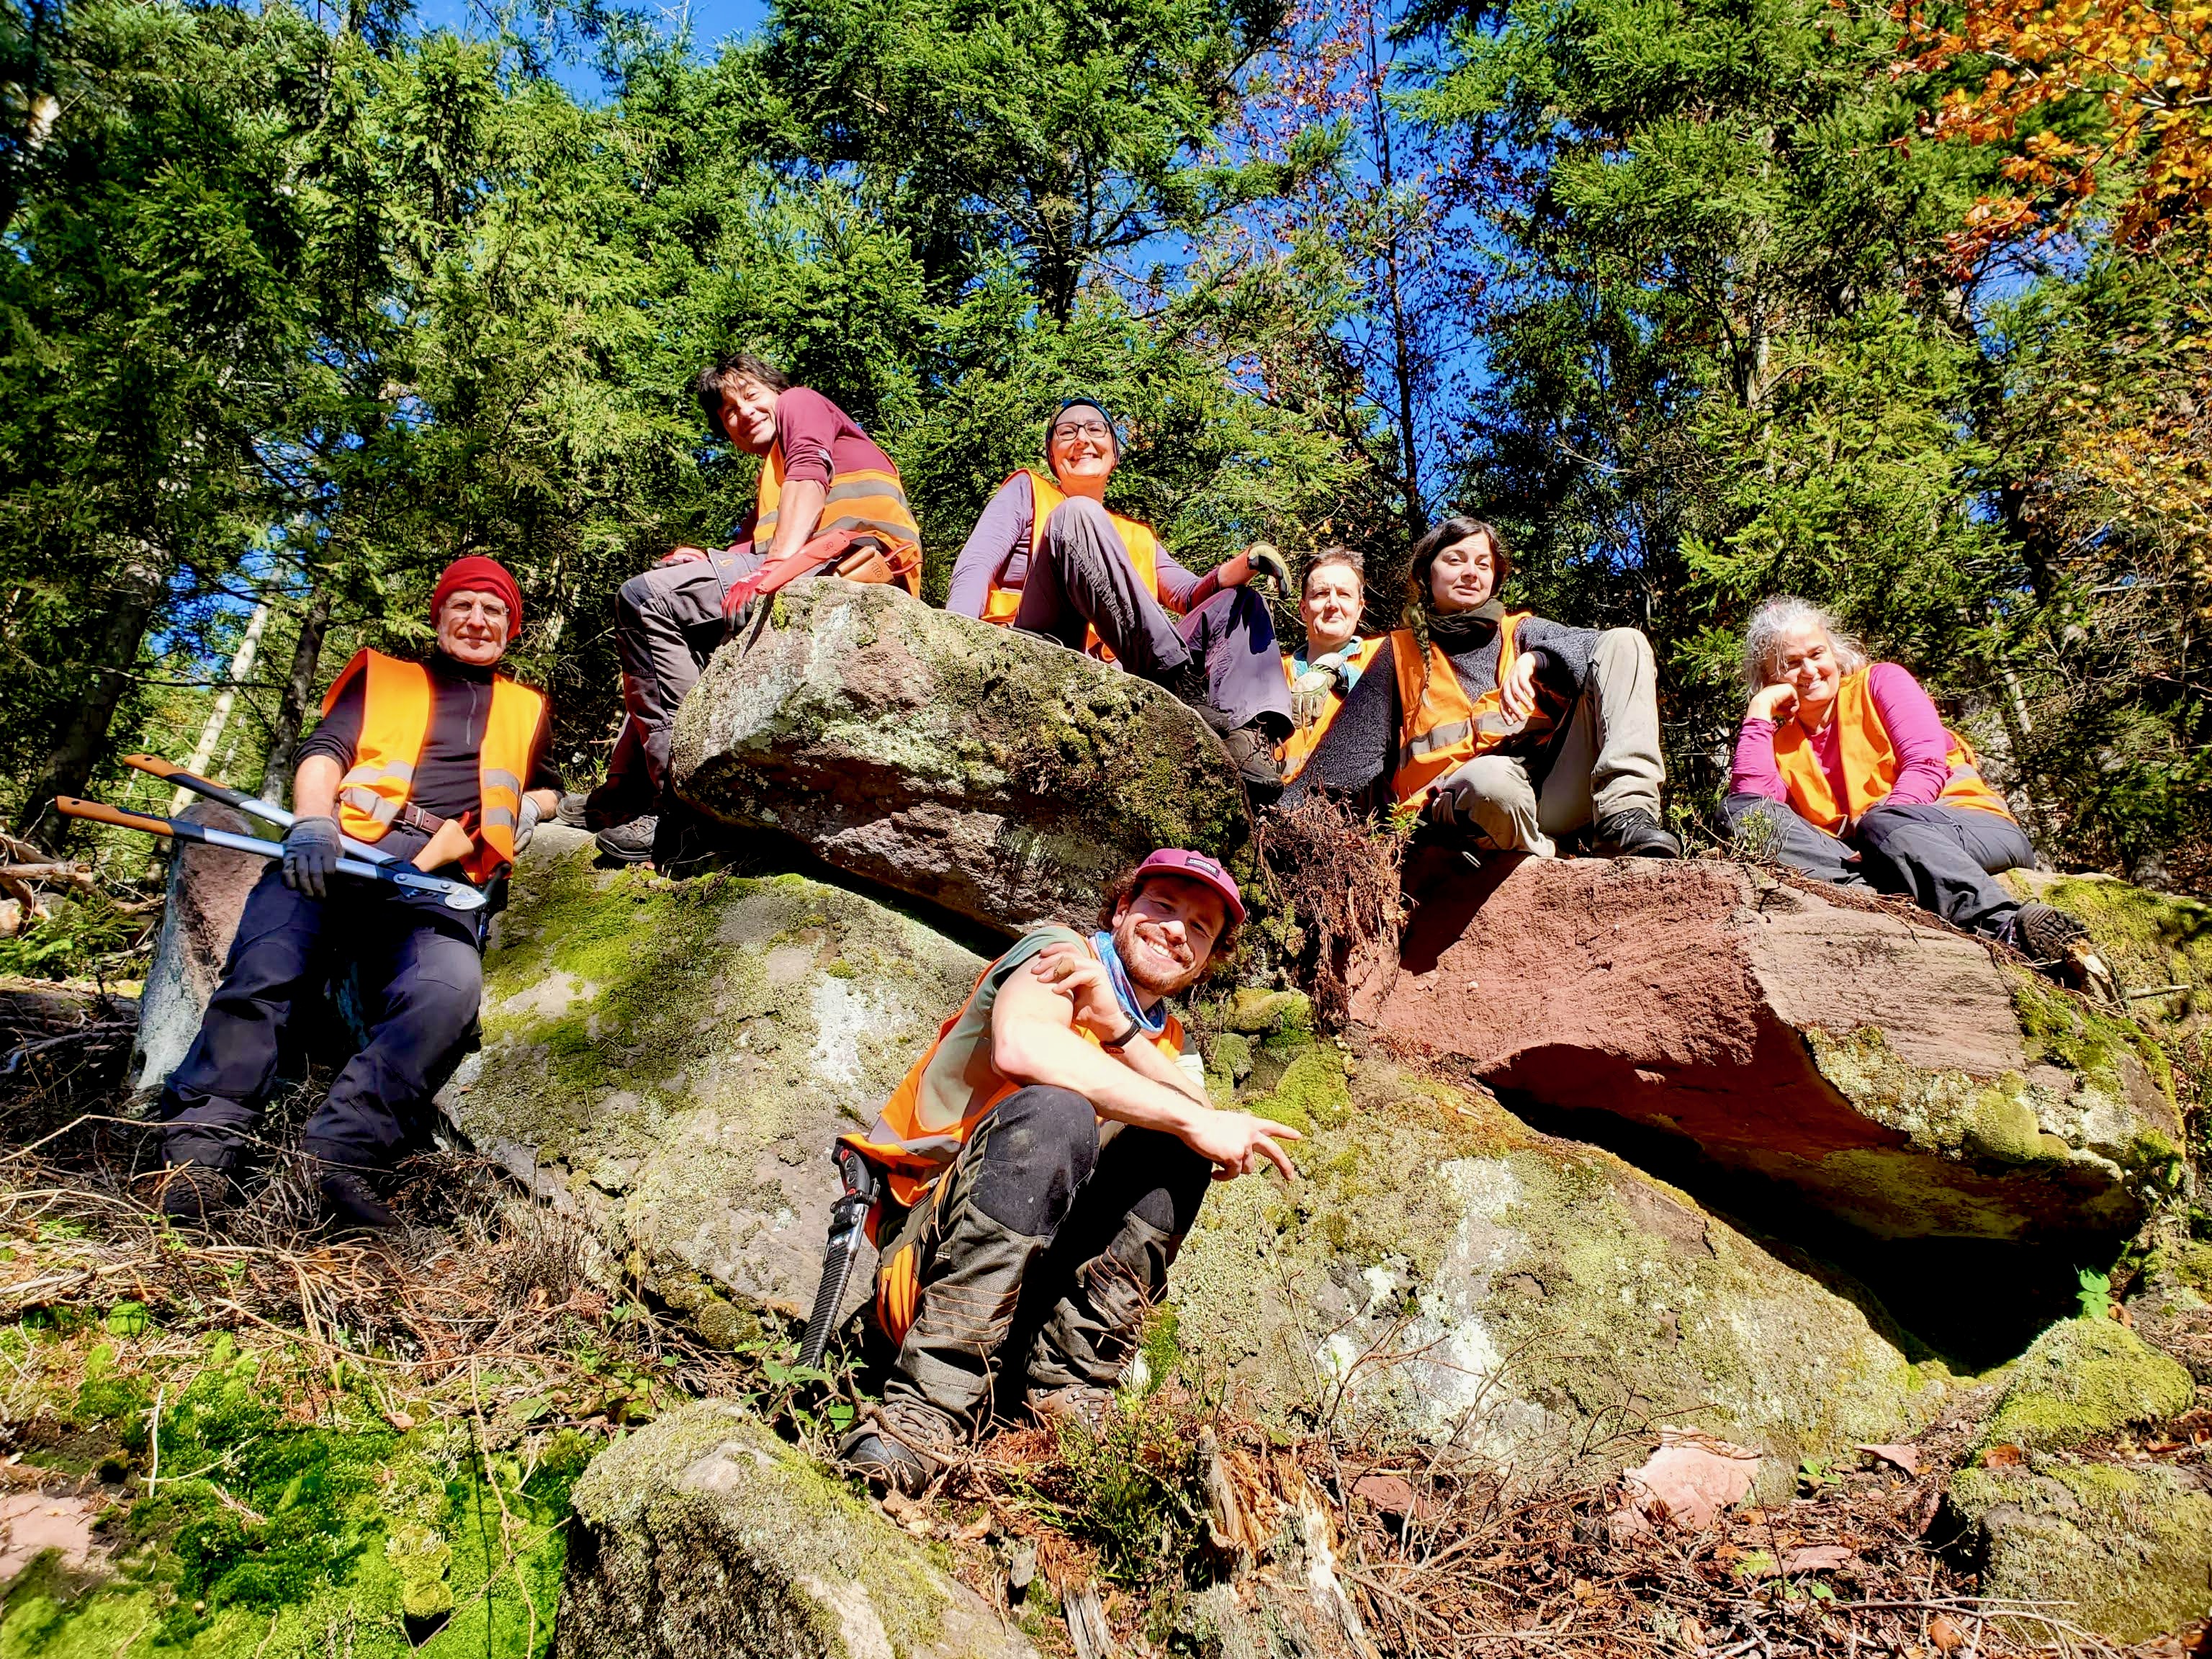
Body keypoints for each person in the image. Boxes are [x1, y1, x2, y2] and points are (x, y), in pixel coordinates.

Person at [836, 849, 1300, 1496]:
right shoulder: (1060, 955)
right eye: (1163, 906)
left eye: (1200, 927)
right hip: (926, 1277)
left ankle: (1067, 1397)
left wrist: (1123, 1035)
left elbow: (1209, 1136)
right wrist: (1193, 1118)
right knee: (1059, 1112)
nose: (1177, 931)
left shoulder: (1173, 1047)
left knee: (1177, 1142)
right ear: (1121, 910)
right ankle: (925, 1408)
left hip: (1031, 1306)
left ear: (1208, 957)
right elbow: (1023, 1046)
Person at [154, 557, 560, 1231]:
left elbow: (546, 784)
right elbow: (325, 752)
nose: (478, 620)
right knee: (266, 971)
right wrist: (313, 822)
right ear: (439, 617)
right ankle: (199, 1153)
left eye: (494, 611)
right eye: (463, 605)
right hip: (341, 848)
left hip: (438, 877)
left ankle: (337, 1158)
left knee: (446, 996)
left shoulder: (528, 707)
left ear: (511, 629)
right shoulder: (385, 676)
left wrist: (532, 809)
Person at [588, 353, 922, 861]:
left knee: (646, 599)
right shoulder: (771, 487)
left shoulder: (801, 404)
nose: (742, 412)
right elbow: (754, 546)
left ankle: (681, 812)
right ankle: (625, 794)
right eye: (727, 412)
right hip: (821, 561)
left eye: (750, 395)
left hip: (841, 559)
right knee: (667, 604)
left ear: (777, 391)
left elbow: (811, 471)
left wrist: (775, 569)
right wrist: (710, 558)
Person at [945, 397, 1295, 791]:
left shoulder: (1138, 537)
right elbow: (976, 564)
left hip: (1124, 665)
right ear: (1051, 454)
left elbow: (1190, 596)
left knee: (1240, 603)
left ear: (1114, 455)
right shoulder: (1030, 492)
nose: (1081, 439)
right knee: (1076, 514)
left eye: (1095, 430)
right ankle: (1175, 682)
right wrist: (957, 644)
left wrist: (1245, 563)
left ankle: (1247, 742)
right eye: (1067, 432)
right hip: (1046, 639)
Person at [1286, 517, 1682, 859]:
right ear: (1427, 575)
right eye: (1455, 561)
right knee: (1489, 781)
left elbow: (1593, 652)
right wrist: (1276, 823)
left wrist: (1537, 660)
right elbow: (1342, 761)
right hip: (1463, 805)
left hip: (1550, 791)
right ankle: (1550, 856)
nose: (1471, 572)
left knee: (1625, 642)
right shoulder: (1397, 654)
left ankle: (1625, 816)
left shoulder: (1521, 633)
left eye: (1483, 564)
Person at [1724, 595, 2088, 964]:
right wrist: (1759, 712)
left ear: (1834, 654)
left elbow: (1925, 764)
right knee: (1736, 813)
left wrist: (1880, 833)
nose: (1810, 670)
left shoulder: (1880, 682)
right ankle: (1876, 901)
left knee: (1881, 822)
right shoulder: (1779, 743)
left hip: (1967, 828)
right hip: (1870, 865)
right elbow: (1753, 813)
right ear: (1771, 677)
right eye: (1791, 664)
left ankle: (2003, 925)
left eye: (1817, 654)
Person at [1280, 547, 1383, 785]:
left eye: (1345, 594)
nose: (1332, 604)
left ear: (1360, 607)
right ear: (1304, 608)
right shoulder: (1274, 672)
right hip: (1272, 813)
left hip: (1358, 814)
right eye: (1321, 594)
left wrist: (1337, 669)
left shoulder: (1385, 656)